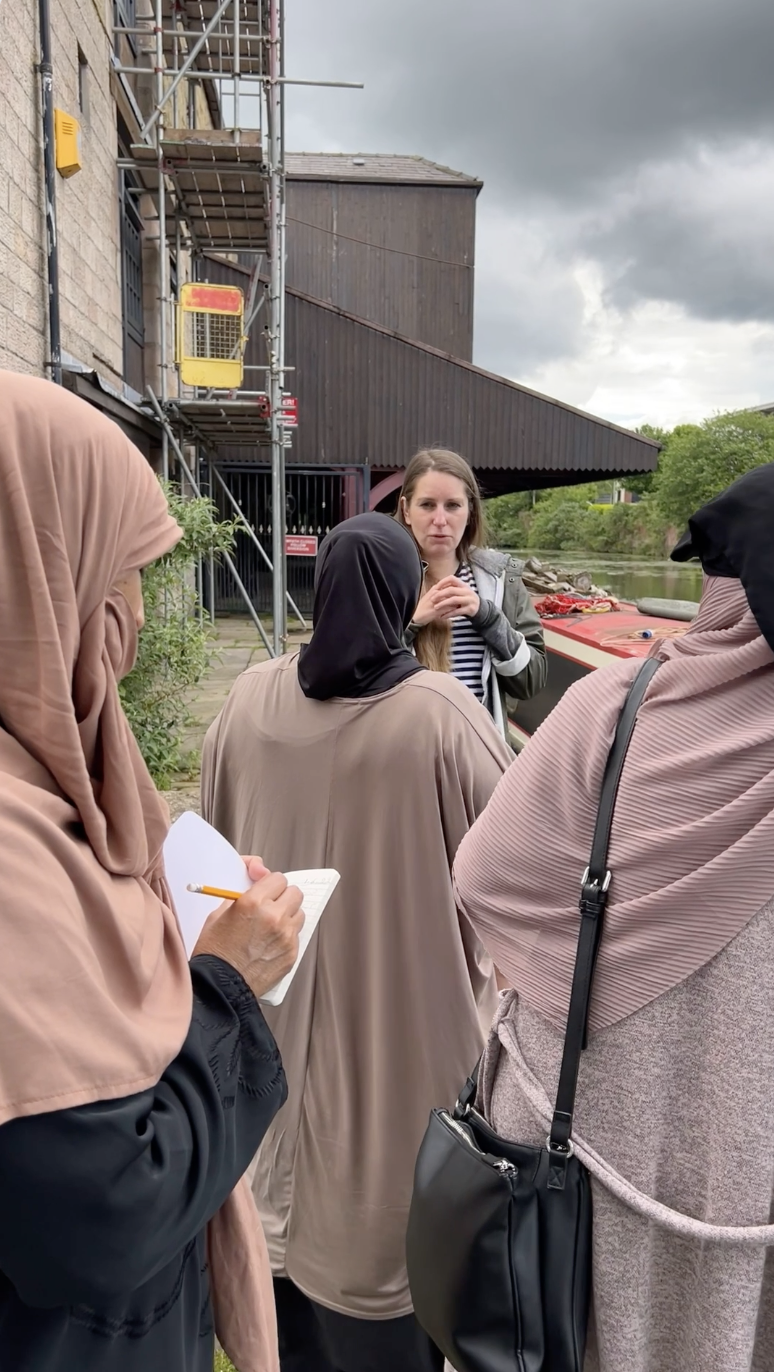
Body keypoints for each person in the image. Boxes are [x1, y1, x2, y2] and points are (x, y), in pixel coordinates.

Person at [0, 370, 305, 1372]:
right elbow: (101, 1214)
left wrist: (158, 934)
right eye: (120, 572)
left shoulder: (43, 792)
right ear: (38, 572)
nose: (132, 613)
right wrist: (221, 986)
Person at [453, 463, 774, 1372]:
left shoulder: (614, 705)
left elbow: (483, 877)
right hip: (753, 1187)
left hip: (579, 1145)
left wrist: (572, 969)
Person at [201, 512, 513, 1372]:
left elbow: (221, 850)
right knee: (389, 1258)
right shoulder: (441, 714)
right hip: (404, 1040)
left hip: (264, 1014)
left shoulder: (248, 699)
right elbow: (525, 865)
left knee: (279, 1240)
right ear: (403, 592)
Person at [396, 448, 547, 742]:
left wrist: (488, 618)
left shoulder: (502, 580)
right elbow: (357, 676)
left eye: (452, 505)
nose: (440, 519)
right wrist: (413, 624)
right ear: (406, 510)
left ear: (470, 512)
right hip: (408, 757)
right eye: (427, 505)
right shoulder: (383, 579)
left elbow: (532, 682)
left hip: (480, 759)